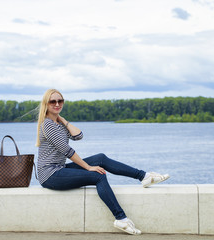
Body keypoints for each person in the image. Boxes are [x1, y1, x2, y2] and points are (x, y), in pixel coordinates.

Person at [36, 89, 170, 235]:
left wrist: (62, 119)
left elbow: (79, 136)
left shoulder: (58, 124)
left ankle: (144, 177)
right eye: (53, 101)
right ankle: (121, 218)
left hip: (59, 168)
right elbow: (67, 151)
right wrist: (88, 167)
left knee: (100, 158)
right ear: (46, 104)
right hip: (50, 174)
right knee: (98, 175)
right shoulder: (48, 125)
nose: (57, 104)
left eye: (60, 101)